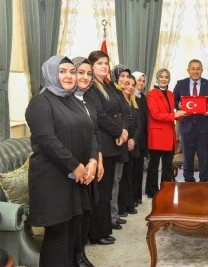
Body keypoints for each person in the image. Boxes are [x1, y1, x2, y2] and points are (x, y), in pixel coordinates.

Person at [25, 55, 97, 266]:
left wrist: (92, 160)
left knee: (73, 232)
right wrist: (75, 166)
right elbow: (48, 140)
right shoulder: (40, 102)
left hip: (76, 178)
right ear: (51, 73)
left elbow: (91, 131)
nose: (69, 76)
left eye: (71, 71)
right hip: (52, 180)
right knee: (58, 236)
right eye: (62, 71)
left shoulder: (72, 100)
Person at [86, 50, 128, 245]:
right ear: (91, 67)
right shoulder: (91, 89)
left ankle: (104, 229)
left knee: (108, 189)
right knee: (101, 192)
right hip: (103, 144)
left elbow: (120, 110)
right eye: (100, 63)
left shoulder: (108, 86)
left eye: (106, 63)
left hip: (113, 144)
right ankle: (96, 233)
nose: (104, 66)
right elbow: (100, 116)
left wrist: (122, 131)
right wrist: (119, 132)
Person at [71, 56, 101, 267]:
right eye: (80, 72)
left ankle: (81, 254)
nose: (84, 77)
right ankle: (75, 257)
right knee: (75, 212)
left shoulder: (88, 98)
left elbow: (93, 131)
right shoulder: (63, 99)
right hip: (73, 166)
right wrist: (79, 165)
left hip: (90, 161)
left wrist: (97, 158)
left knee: (87, 209)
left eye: (88, 74)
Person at [173, 59, 208, 182]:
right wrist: (179, 106)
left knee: (204, 157)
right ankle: (188, 181)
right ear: (188, 70)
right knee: (187, 157)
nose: (195, 71)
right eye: (193, 68)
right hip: (186, 127)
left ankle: (204, 181)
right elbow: (174, 100)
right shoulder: (180, 84)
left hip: (203, 128)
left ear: (202, 70)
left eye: (198, 69)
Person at [146, 69, 186, 196]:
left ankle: (166, 189)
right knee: (154, 166)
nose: (164, 79)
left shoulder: (170, 94)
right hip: (157, 135)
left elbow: (172, 113)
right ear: (157, 78)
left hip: (169, 134)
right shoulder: (151, 94)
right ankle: (152, 191)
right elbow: (156, 115)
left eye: (166, 77)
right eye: (161, 77)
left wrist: (184, 113)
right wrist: (175, 114)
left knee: (167, 166)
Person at [109, 64, 134, 229]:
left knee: (116, 180)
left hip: (122, 142)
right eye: (122, 76)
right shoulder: (113, 94)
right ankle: (111, 217)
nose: (125, 79)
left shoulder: (120, 94)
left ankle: (114, 215)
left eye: (127, 76)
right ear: (115, 77)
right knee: (113, 182)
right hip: (114, 142)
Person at [117, 75, 141, 216]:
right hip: (122, 144)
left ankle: (128, 204)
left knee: (130, 176)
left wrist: (133, 140)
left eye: (133, 84)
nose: (130, 87)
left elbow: (139, 126)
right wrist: (127, 140)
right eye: (128, 84)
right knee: (122, 178)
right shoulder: (119, 101)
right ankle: (122, 207)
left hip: (133, 145)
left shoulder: (134, 103)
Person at [132, 71, 148, 201]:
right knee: (131, 170)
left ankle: (137, 196)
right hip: (132, 139)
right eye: (139, 80)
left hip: (142, 138)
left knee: (139, 169)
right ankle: (131, 198)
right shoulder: (129, 96)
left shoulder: (143, 97)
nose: (141, 83)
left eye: (143, 81)